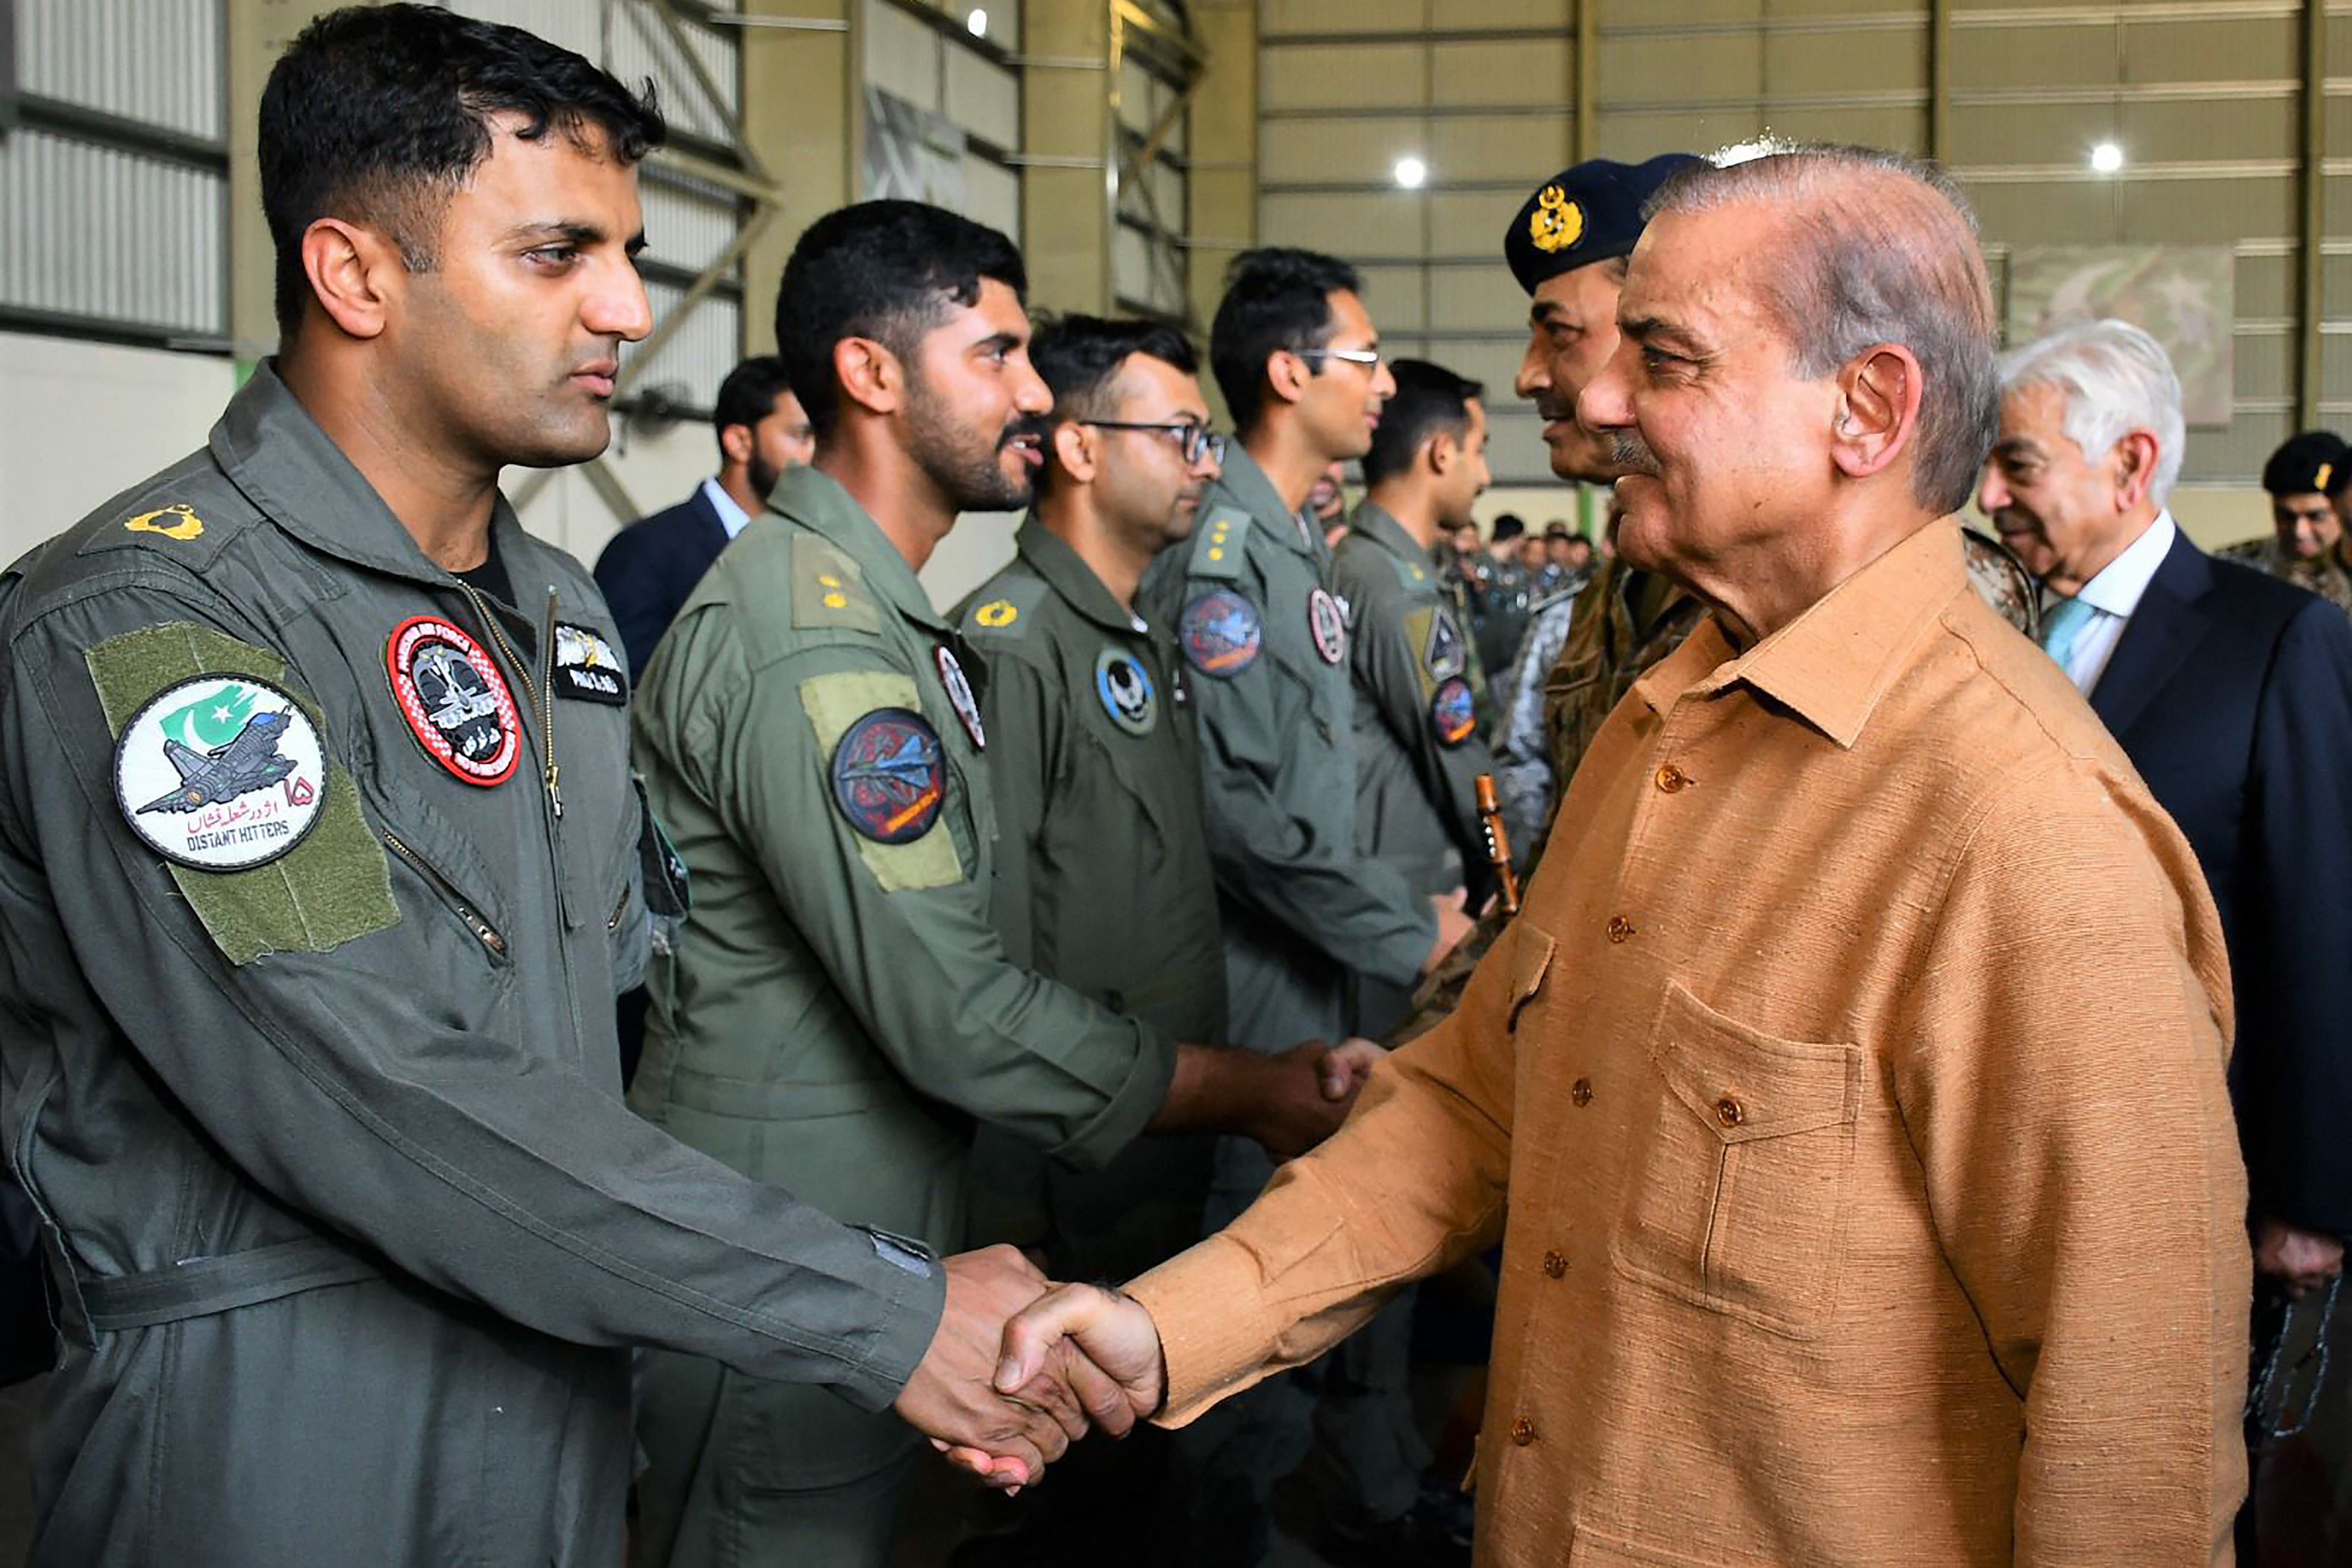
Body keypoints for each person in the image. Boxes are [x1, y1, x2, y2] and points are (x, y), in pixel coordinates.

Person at [996, 143, 2251, 1568]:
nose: (1594, 399)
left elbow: (2132, 1449)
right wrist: (1169, 1323)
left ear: (1865, 408)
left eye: (1663, 360)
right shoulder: (1666, 719)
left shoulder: (2032, 839)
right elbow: (1477, 1100)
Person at [0, 12, 1097, 1566]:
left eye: (629, 254)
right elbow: (380, 1092)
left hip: (560, 1400)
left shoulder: (559, 618)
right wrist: (879, 1306)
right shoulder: (163, 625)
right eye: (557, 254)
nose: (630, 308)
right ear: (355, 274)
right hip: (287, 1442)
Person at [624, 205, 1371, 1568]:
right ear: (870, 373)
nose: (1034, 393)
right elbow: (959, 1010)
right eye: (996, 354)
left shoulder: (877, 617)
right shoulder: (815, 643)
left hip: (870, 1229)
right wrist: (1249, 1088)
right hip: (787, 1240)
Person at [1982, 318, 2352, 1563]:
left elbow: (2317, 927)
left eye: (2019, 466)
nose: (1991, 497)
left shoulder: (2276, 639)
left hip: (2188, 1178)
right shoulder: (1990, 631)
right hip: (1998, 1158)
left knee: (2159, 1493)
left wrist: (2309, 1198)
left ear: (2130, 464)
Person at [1136, 247, 1475, 1566]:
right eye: (1365, 357)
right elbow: (1245, 821)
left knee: (1322, 1273)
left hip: (1327, 971)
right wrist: (1419, 925)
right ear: (1289, 374)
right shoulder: (1229, 554)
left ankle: (1333, 1498)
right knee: (1251, 1291)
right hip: (1262, 985)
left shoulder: (1290, 545)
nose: (1383, 385)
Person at [947, 313, 1231, 1562]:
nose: (1203, 464)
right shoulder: (1012, 645)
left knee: (1140, 1499)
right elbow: (984, 967)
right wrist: (1014, 1217)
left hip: (1155, 1154)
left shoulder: (1132, 630)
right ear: (1076, 447)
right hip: (1069, 1185)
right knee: (1060, 1522)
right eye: (1179, 435)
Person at [1336, 358, 1499, 1039]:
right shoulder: (1394, 588)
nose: (1483, 475)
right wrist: (1512, 870)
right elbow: (1456, 757)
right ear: (1440, 453)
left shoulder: (1366, 564)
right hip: (1412, 892)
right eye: (1477, 450)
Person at [593, 355, 815, 676]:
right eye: (802, 435)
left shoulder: (811, 553)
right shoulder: (645, 551)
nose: (816, 454)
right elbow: (628, 686)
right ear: (740, 442)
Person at [2218, 428, 2352, 613]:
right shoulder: (2235, 569)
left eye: (2316, 516)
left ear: (2339, 506)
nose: (2300, 531)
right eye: (2287, 516)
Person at [1465, 511, 1532, 676]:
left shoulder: (1518, 569)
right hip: (1486, 653)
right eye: (1522, 539)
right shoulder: (1478, 566)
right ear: (1515, 538)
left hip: (1512, 653)